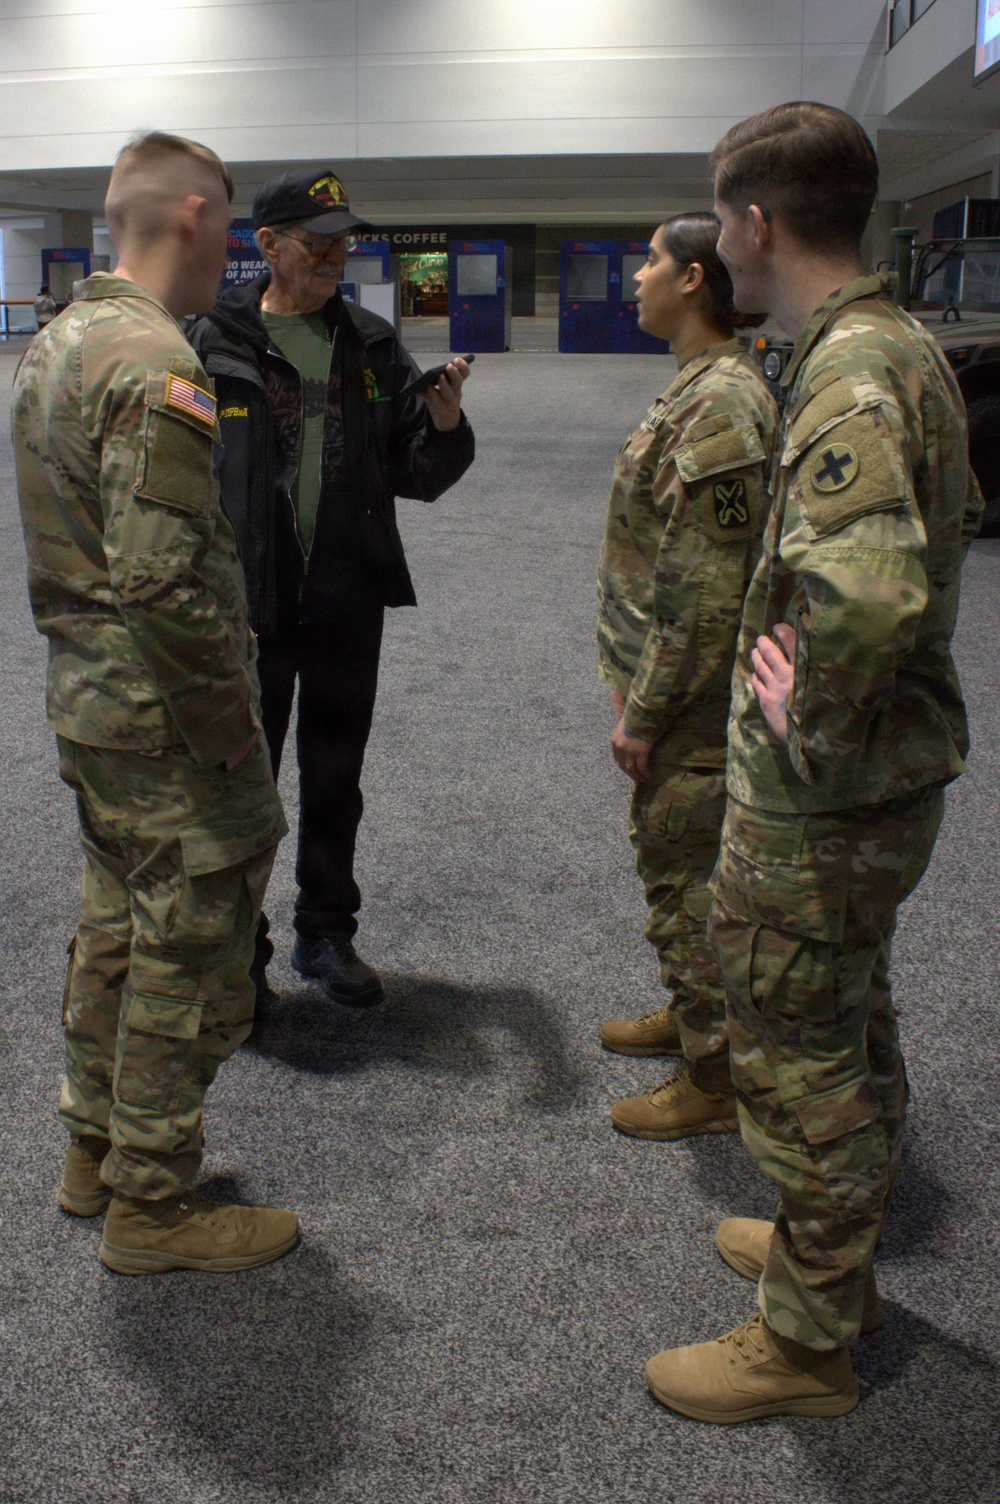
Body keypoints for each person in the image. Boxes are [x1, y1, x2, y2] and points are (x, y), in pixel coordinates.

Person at [645, 102, 984, 1422]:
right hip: (874, 790)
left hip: (826, 802)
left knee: (798, 1061)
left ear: (754, 221)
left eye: (718, 213)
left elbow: (865, 595)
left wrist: (804, 720)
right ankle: (831, 1264)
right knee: (852, 1024)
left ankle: (804, 1345)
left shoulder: (846, 373)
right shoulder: (885, 346)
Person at [11, 132, 297, 1275]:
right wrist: (231, 732)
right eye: (226, 222)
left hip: (90, 705)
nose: (232, 246)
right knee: (188, 944)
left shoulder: (59, 342)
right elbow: (163, 579)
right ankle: (154, 1206)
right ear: (191, 215)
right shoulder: (155, 362)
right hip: (167, 716)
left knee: (118, 926)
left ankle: (94, 1151)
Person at [190, 169, 474, 1011]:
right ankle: (238, 954)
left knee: (335, 774)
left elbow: (414, 471)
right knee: (244, 783)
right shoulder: (209, 342)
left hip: (347, 600)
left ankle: (326, 933)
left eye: (343, 243)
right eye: (316, 243)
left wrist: (447, 423)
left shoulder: (372, 342)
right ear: (267, 245)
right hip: (250, 604)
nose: (333, 257)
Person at [596, 213, 778, 1141]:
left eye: (654, 261)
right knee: (673, 866)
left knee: (685, 871)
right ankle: (694, 1008)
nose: (639, 276)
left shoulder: (721, 405)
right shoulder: (699, 388)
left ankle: (716, 1073)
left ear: (697, 279)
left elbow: (705, 592)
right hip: (672, 693)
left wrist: (647, 713)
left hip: (694, 709)